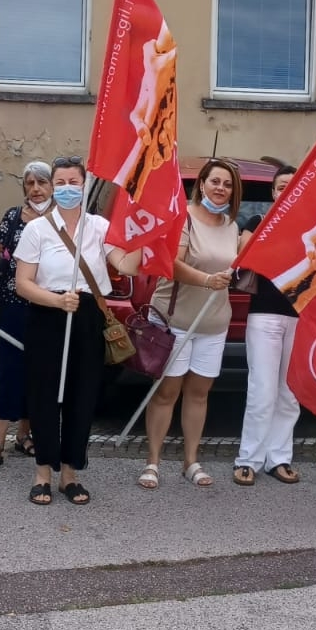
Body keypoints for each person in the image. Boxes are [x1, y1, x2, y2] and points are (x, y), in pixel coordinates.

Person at [13, 157, 141, 504]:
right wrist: (56, 302)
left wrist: (145, 237)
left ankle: (70, 472)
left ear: (84, 186)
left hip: (87, 316)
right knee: (43, 394)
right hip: (48, 314)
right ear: (52, 186)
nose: (68, 188)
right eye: (61, 182)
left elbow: (126, 264)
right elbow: (23, 283)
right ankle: (43, 472)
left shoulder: (100, 227)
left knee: (81, 396)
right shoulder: (37, 229)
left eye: (74, 181)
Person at [137, 158, 241, 490]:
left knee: (199, 394)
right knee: (167, 392)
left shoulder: (231, 225)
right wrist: (207, 279)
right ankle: (153, 462)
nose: (221, 188)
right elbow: (170, 264)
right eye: (215, 181)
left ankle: (190, 461)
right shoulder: (182, 218)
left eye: (227, 184)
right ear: (201, 185)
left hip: (214, 323)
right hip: (176, 320)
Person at [0, 161, 51, 467]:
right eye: (30, 183)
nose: (35, 189)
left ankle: (26, 435)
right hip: (14, 301)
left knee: (38, 370)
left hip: (48, 304)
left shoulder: (61, 220)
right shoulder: (13, 216)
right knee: (9, 368)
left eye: (42, 183)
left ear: (52, 186)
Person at [234, 165, 303, 486]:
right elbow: (243, 253)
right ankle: (248, 459)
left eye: (292, 186)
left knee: (289, 393)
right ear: (273, 193)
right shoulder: (258, 222)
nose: (285, 191)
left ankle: (280, 458)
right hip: (265, 316)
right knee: (262, 390)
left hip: (301, 318)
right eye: (280, 187)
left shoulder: (313, 226)